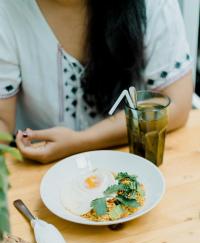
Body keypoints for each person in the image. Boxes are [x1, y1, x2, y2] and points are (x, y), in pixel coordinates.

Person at [0, 0, 193, 163]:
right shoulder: (7, 10)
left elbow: (177, 103)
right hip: (39, 170)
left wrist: (81, 142)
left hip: (133, 160)